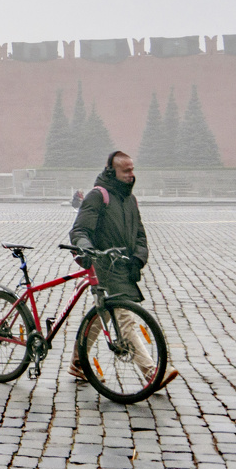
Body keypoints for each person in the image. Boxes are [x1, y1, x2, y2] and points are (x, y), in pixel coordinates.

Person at [68, 151, 177, 389]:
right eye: (126, 171)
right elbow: (79, 231)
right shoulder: (99, 196)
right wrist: (86, 249)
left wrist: (138, 258)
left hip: (123, 266)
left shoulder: (130, 200)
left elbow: (139, 234)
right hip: (103, 265)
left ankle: (78, 362)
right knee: (124, 317)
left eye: (132, 169)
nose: (131, 174)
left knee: (103, 315)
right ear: (112, 172)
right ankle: (151, 372)